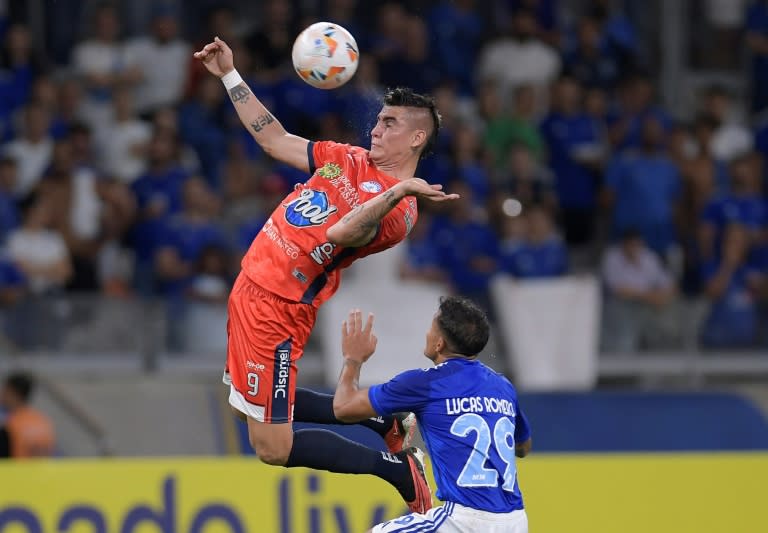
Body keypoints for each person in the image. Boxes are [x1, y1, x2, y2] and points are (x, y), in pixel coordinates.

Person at [193, 37, 459, 513]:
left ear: (417, 139)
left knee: (271, 447)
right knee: (242, 403)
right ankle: (382, 422)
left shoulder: (401, 213)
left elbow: (344, 231)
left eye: (390, 123)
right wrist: (229, 76)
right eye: (378, 119)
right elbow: (274, 139)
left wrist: (398, 193)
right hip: (250, 285)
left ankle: (395, 468)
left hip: (278, 309)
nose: (376, 129)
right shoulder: (347, 158)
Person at [333, 296, 532, 532]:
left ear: (439, 344)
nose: (427, 333)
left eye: (431, 328)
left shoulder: (426, 382)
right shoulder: (502, 386)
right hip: (516, 521)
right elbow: (523, 447)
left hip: (464, 521)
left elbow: (343, 408)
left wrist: (353, 359)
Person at [0, 372, 55, 458]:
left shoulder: (11, 426)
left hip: (16, 470)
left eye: (4, 390)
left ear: (12, 393)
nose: (1, 395)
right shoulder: (43, 422)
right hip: (42, 470)